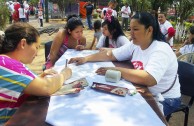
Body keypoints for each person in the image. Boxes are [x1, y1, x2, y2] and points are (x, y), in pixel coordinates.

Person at [69, 12, 181, 117]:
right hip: (143, 91)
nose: (131, 33)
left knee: (129, 116)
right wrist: (86, 58)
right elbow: (111, 55)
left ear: (149, 30)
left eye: (136, 29)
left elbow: (149, 78)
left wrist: (118, 70)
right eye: (130, 29)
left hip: (165, 98)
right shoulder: (135, 44)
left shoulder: (160, 49)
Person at [0, 22, 72, 124]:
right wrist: (65, 74)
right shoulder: (8, 64)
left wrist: (37, 79)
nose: (37, 53)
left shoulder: (5, 62)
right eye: (37, 47)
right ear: (23, 44)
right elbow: (47, 87)